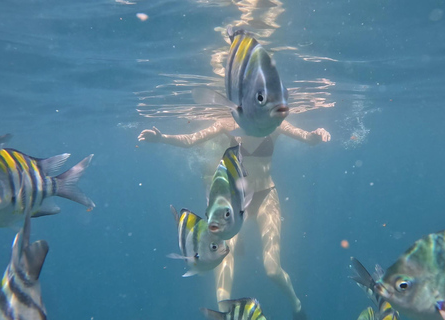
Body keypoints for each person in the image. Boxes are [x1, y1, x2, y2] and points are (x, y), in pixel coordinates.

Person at [138, 117, 330, 319]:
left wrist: (316, 134)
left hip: (266, 196)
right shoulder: (226, 124)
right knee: (222, 259)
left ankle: (296, 304)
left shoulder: (274, 123)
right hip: (235, 204)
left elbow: (307, 138)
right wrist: (162, 138)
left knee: (272, 269)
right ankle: (224, 314)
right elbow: (190, 139)